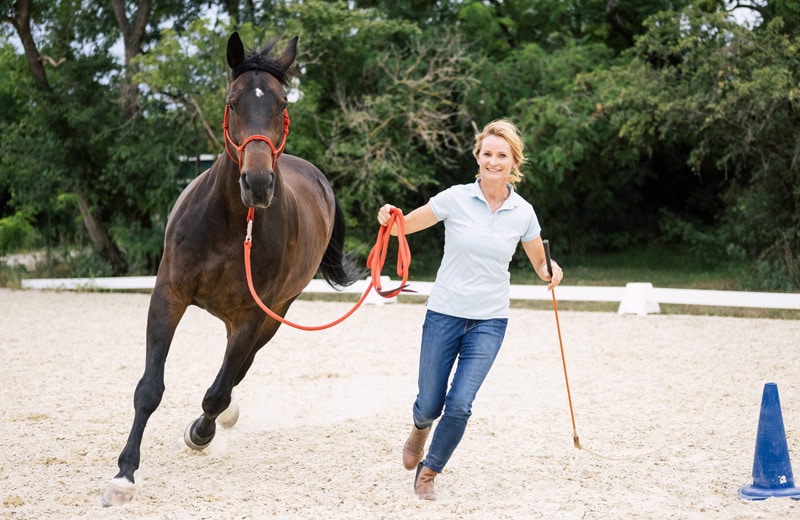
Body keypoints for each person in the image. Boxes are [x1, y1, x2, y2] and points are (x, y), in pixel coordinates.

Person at [376, 119, 564, 500]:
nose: (494, 161)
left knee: (460, 404)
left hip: (490, 321)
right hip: (444, 312)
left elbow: (540, 263)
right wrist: (389, 217)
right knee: (430, 402)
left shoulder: (523, 213)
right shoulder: (455, 198)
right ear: (477, 158)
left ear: (514, 161)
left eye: (502, 155)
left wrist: (551, 271)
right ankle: (419, 428)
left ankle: (429, 473)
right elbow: (404, 226)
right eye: (487, 154)